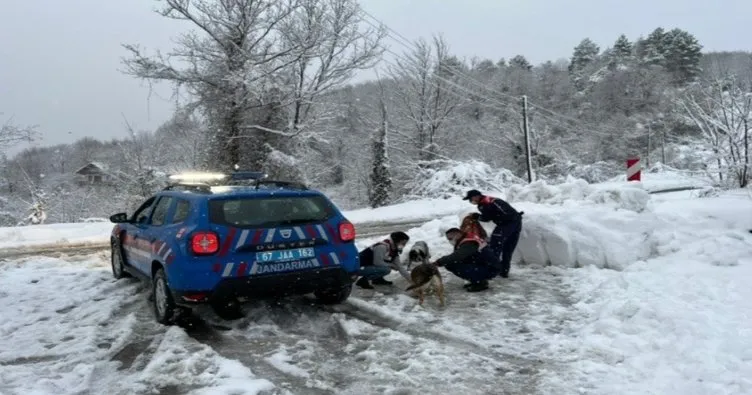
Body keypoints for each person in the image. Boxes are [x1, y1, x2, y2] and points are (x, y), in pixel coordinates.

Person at [463, 189, 523, 278]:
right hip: (517, 222)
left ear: (476, 196)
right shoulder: (492, 199)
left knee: (494, 247)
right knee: (508, 247)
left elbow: (487, 218)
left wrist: (477, 216)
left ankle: (492, 270)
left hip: (506, 224)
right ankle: (504, 271)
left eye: (470, 199)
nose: (470, 201)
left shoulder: (484, 203)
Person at [433, 218, 500, 292]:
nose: (450, 241)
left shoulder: (469, 242)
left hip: (490, 268)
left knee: (453, 264)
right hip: (484, 264)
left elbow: (457, 256)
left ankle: (481, 283)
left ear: (457, 235)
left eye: (450, 238)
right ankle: (476, 280)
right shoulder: (466, 238)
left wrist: (439, 262)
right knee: (453, 263)